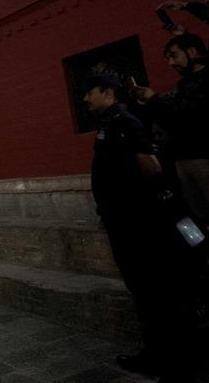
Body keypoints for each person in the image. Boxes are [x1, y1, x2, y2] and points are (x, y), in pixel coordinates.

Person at [84, 73, 198, 382]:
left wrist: (145, 207)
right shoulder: (109, 123)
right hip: (123, 221)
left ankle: (179, 364)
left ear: (107, 92)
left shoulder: (125, 120)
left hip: (139, 222)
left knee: (159, 292)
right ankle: (155, 354)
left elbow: (150, 166)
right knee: (144, 294)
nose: (85, 98)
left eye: (89, 92)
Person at [131, 33, 208, 231]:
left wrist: (154, 99)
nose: (171, 62)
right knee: (198, 216)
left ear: (192, 51)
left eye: (174, 55)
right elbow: (168, 116)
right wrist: (146, 101)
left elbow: (189, 115)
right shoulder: (182, 85)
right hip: (183, 159)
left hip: (203, 157)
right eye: (168, 58)